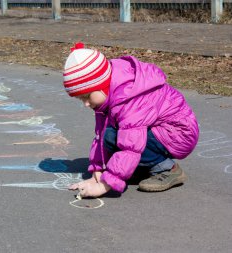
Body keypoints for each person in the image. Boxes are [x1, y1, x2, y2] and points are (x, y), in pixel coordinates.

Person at [64, 42, 199, 198]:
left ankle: (167, 169)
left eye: (87, 97)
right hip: (159, 129)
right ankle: (141, 169)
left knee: (121, 138)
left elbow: (131, 146)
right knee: (109, 136)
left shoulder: (129, 98)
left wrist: (105, 185)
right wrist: (97, 172)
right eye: (81, 99)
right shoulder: (109, 92)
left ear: (101, 85)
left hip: (178, 133)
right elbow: (100, 135)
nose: (86, 103)